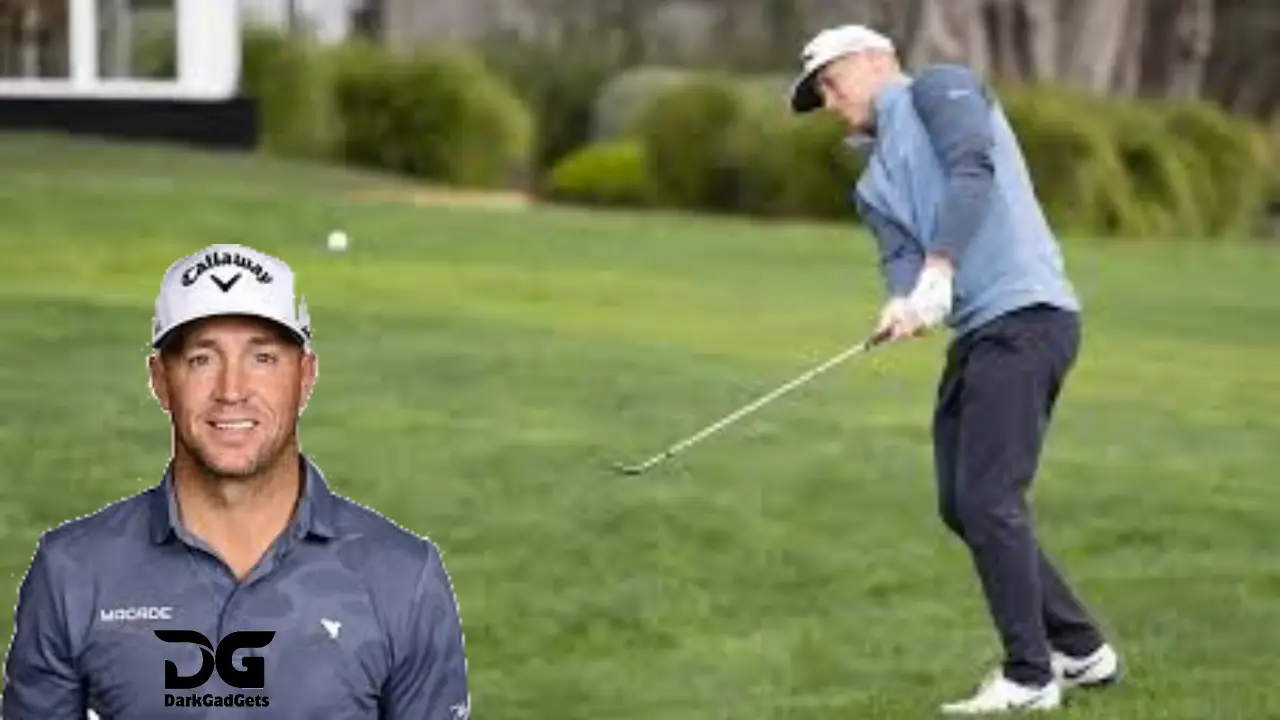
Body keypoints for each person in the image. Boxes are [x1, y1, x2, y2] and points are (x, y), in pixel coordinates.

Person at [786, 25, 1120, 714]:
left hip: (1029, 317)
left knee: (991, 499)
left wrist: (940, 269)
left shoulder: (940, 90)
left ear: (878, 60)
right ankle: (1082, 648)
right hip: (979, 334)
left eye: (830, 80)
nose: (827, 99)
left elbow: (973, 165)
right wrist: (903, 303)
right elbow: (901, 267)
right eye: (818, 91)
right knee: (961, 502)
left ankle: (1030, 677)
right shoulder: (871, 185)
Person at [1, 243, 470, 719]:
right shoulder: (72, 571)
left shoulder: (403, 579)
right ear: (160, 379)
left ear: (306, 376)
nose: (231, 391)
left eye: (262, 358)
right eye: (202, 359)